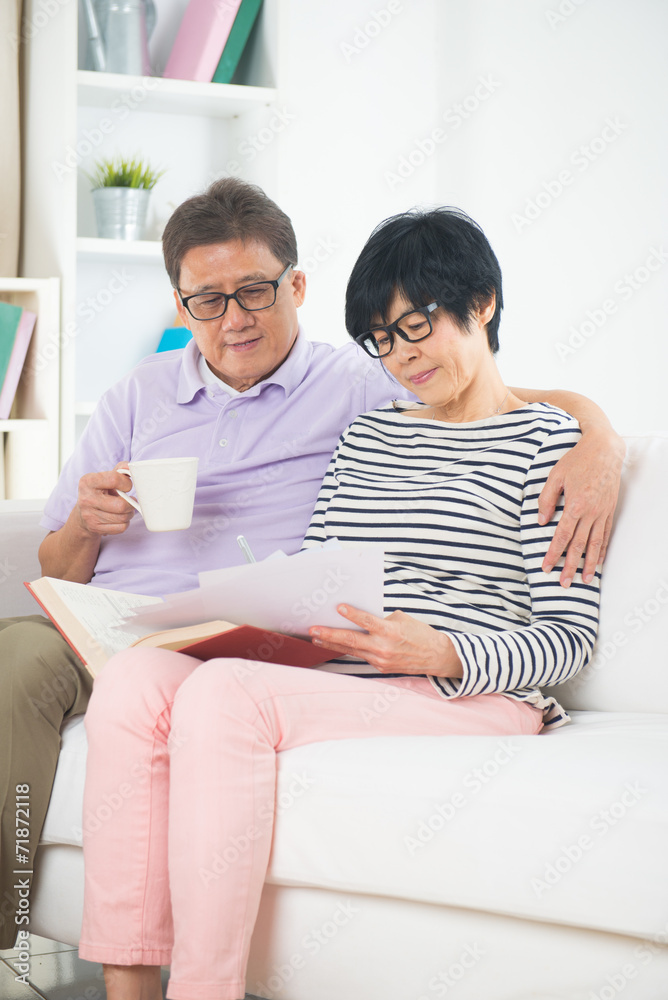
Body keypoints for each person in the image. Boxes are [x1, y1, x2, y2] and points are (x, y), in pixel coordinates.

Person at [0, 179, 620, 948]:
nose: (234, 319)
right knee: (14, 653)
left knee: (206, 689)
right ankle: (13, 933)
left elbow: (474, 390)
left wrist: (597, 435)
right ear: (180, 304)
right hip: (113, 620)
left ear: (295, 286)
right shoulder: (137, 395)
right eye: (207, 300)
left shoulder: (358, 385)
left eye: (254, 291)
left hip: (238, 630)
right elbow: (57, 565)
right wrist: (87, 527)